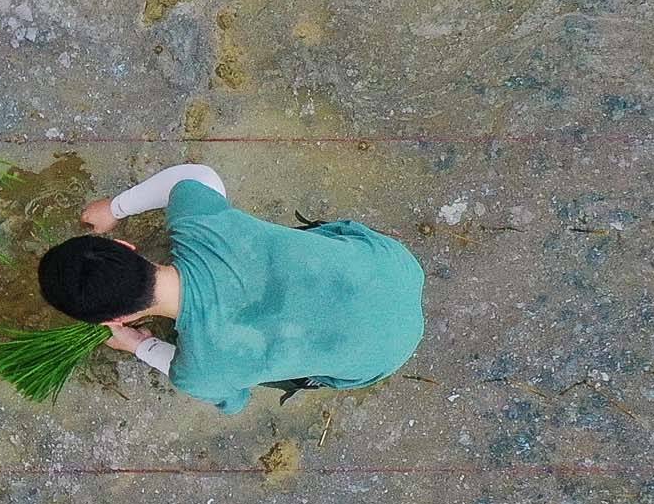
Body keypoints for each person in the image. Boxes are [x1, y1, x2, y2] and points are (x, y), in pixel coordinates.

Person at [35, 162, 425, 413]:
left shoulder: (199, 373)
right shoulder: (197, 222)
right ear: (125, 246)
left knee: (260, 373)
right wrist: (113, 208)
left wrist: (138, 344)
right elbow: (196, 175)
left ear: (119, 318)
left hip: (385, 355)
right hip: (393, 264)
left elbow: (234, 399)